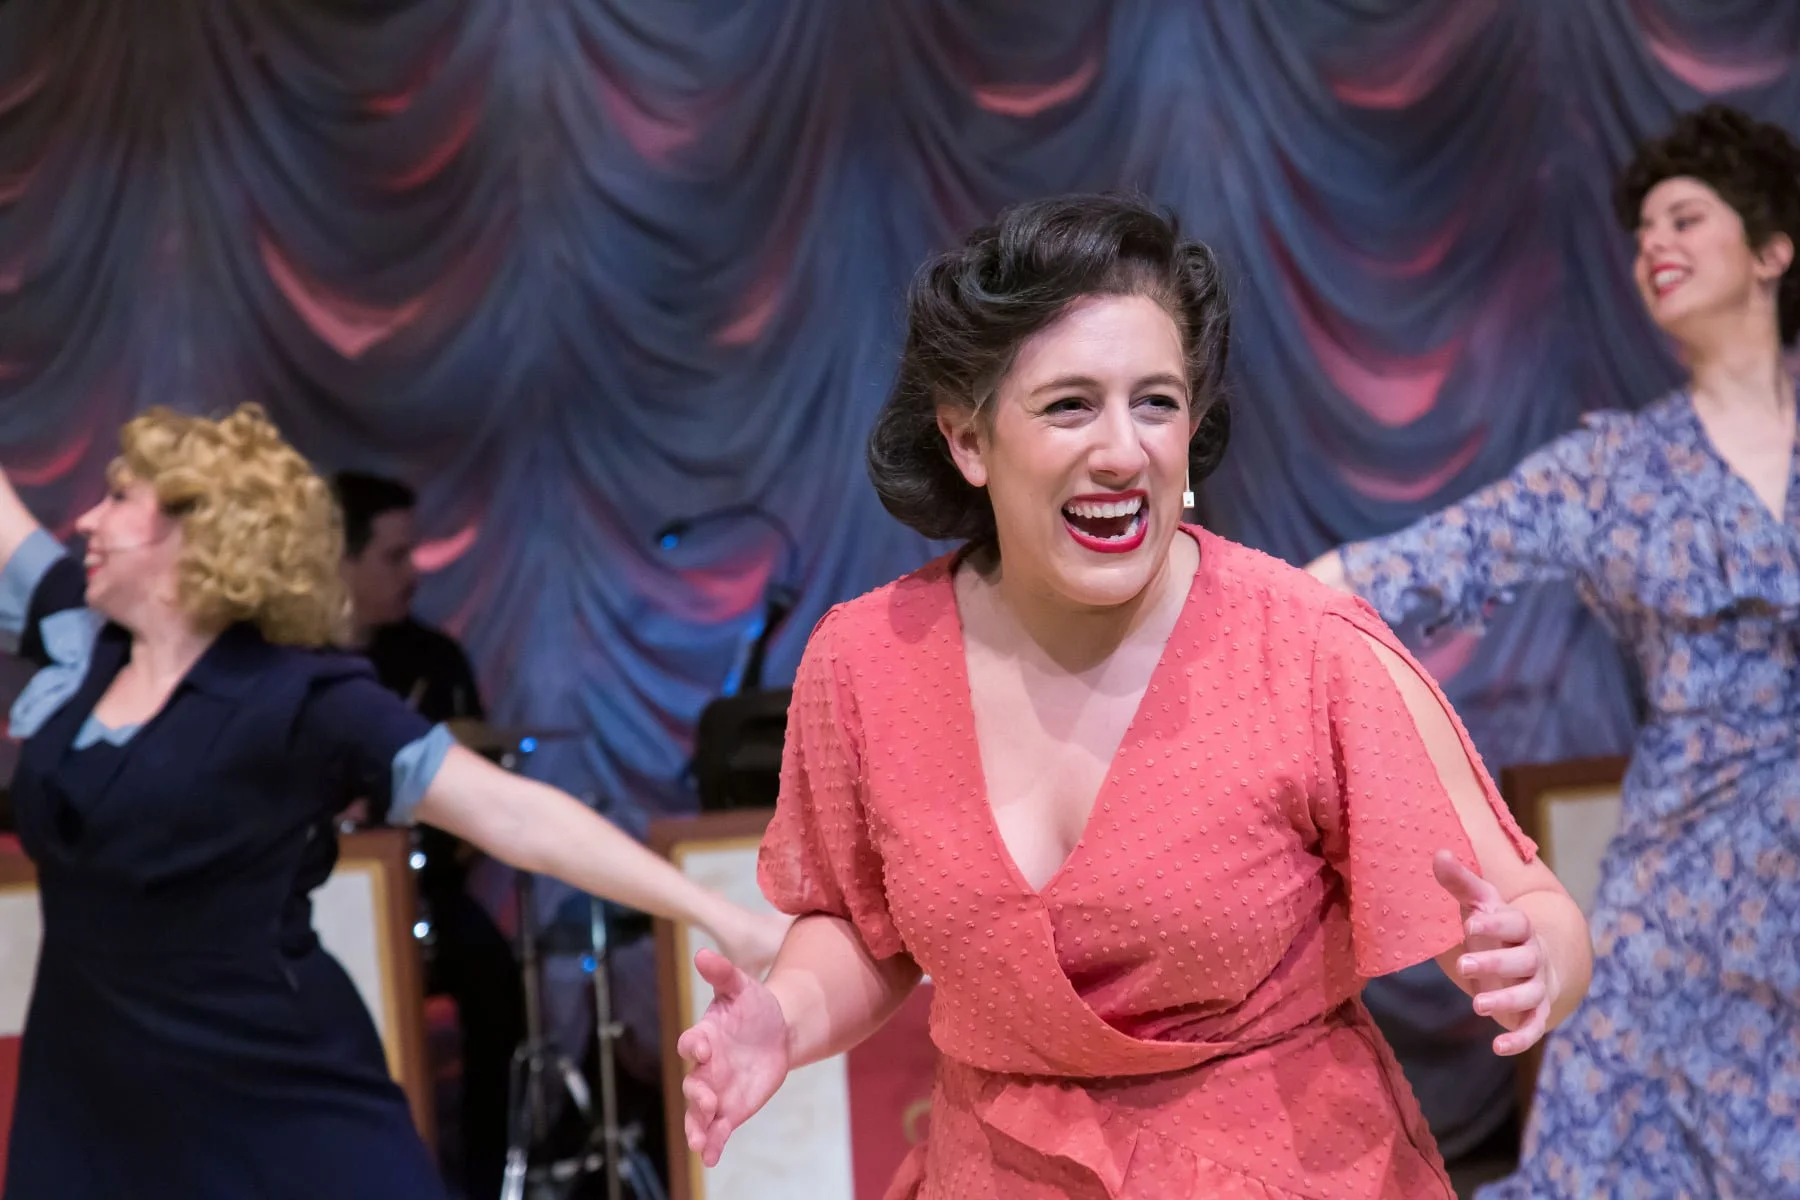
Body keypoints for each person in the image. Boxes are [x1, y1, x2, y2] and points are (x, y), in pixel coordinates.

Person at [676, 194, 1592, 1198]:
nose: (1124, 449)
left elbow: (1535, 909)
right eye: (1070, 404)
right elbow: (860, 928)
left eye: (1155, 402)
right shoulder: (863, 663)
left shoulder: (1308, 649)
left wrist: (1533, 963)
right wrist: (786, 1017)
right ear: (968, 440)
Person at [0, 403, 787, 1200]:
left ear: (199, 532)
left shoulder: (300, 695)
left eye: (120, 497)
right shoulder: (78, 636)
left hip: (264, 1075)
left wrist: (719, 915)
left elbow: (513, 815)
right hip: (83, 1083)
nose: (87, 517)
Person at [1306, 103, 1800, 1197]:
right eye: (1639, 234)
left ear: (1773, 250)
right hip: (1690, 888)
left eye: (1686, 217)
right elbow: (1423, 561)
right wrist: (1234, 612)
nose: (1651, 247)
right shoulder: (1615, 468)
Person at [332, 468, 521, 1200]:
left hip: (427, 892)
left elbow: (480, 796)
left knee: (497, 985)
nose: (412, 574)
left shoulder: (435, 660)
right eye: (393, 557)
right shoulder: (296, 663)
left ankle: (478, 1184)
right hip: (317, 895)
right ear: (340, 559)